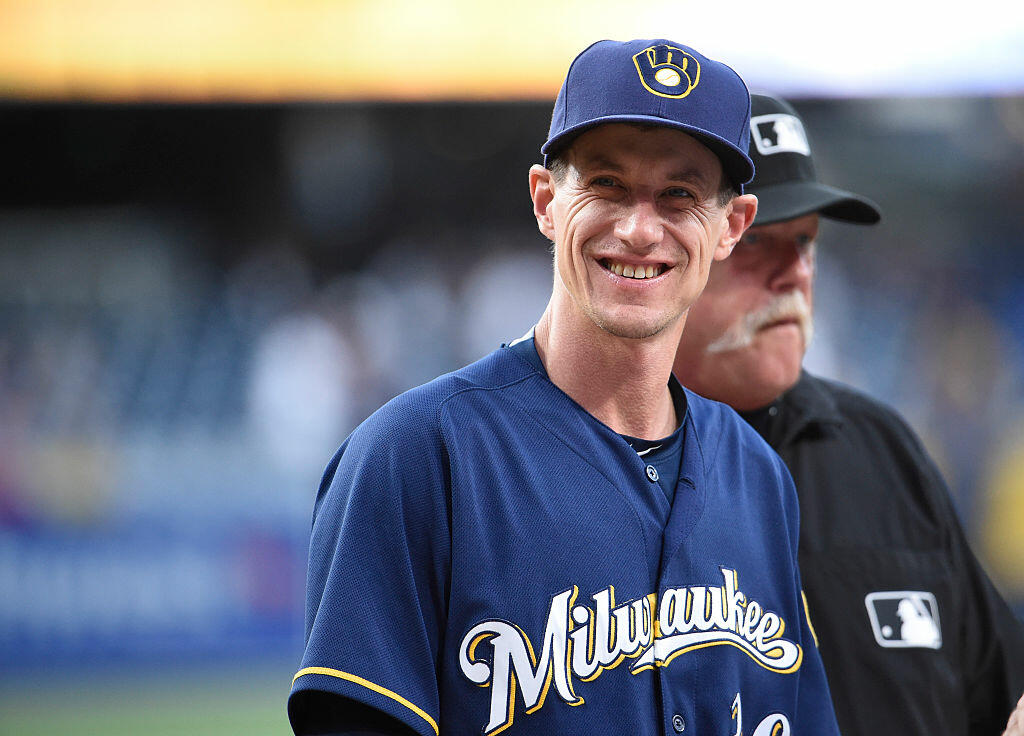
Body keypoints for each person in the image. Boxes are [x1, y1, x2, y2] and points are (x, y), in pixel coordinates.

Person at [288, 41, 841, 736]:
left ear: (730, 227)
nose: (640, 229)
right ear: (547, 201)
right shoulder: (413, 459)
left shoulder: (758, 476)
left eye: (680, 194)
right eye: (606, 184)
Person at [673, 92, 1024, 736]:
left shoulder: (879, 448)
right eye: (757, 244)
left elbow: (1003, 694)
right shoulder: (588, 467)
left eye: (806, 242)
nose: (795, 274)